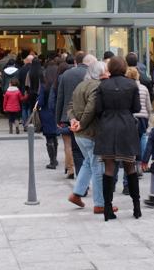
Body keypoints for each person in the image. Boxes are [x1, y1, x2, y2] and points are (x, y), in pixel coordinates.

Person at [94, 56, 142, 221]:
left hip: (107, 126)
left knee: (109, 168)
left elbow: (98, 109)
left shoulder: (103, 85)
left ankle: (108, 208)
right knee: (130, 167)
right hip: (126, 126)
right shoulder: (131, 84)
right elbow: (136, 107)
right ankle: (136, 207)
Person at [68, 61, 117, 215]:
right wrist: (81, 123)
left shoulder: (81, 85)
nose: (109, 74)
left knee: (88, 163)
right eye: (107, 71)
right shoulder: (97, 86)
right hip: (91, 133)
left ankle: (76, 193)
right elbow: (91, 108)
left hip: (80, 134)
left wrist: (73, 121)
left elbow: (70, 106)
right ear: (100, 73)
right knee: (98, 167)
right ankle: (100, 204)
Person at [56, 52, 93, 179]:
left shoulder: (66, 74)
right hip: (86, 116)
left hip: (68, 115)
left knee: (68, 145)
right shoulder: (90, 74)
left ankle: (71, 169)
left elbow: (60, 97)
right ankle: (86, 174)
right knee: (86, 147)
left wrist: (58, 118)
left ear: (76, 62)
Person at [126, 66, 152, 174]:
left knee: (131, 141)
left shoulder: (126, 87)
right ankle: (141, 165)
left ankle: (132, 163)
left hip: (131, 116)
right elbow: (148, 105)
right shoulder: (143, 88)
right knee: (142, 139)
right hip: (142, 117)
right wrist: (149, 117)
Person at [37, 71, 59, 169]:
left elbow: (40, 102)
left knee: (49, 138)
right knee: (54, 136)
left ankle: (52, 161)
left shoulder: (43, 86)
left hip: (46, 113)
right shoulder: (57, 85)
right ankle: (55, 159)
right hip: (55, 113)